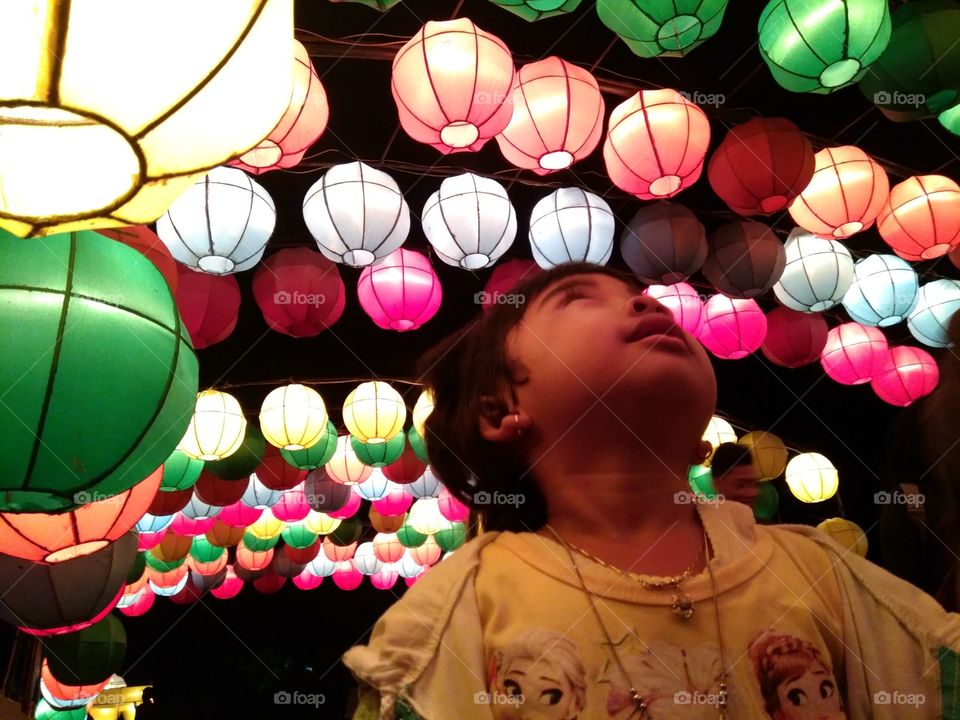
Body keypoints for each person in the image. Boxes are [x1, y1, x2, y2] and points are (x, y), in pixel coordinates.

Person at [343, 262, 960, 720]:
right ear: (499, 410)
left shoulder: (820, 573)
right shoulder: (456, 614)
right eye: (577, 298)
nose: (648, 302)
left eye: (637, 294)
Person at [709, 442, 761, 509]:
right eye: (740, 485)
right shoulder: (705, 514)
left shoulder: (749, 515)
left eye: (754, 484)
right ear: (717, 483)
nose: (751, 493)